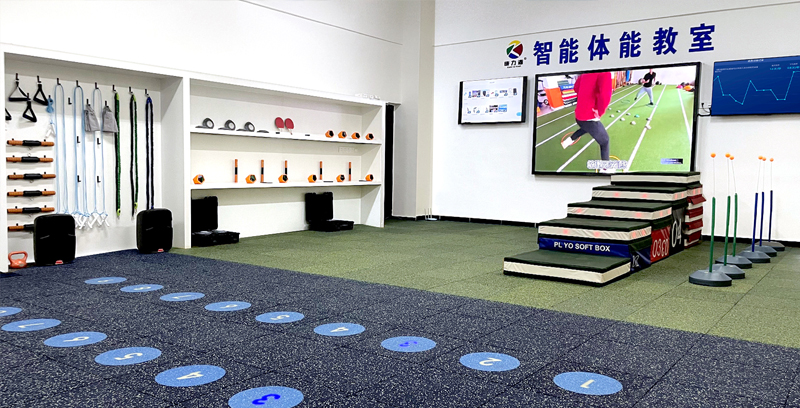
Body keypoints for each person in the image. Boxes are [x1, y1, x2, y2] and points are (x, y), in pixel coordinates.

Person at [561, 71, 612, 163]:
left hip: (579, 115)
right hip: (589, 116)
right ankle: (605, 168)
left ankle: (569, 140)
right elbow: (605, 94)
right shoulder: (604, 72)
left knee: (586, 128)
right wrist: (600, 111)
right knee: (605, 141)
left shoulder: (586, 73)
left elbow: (576, 88)